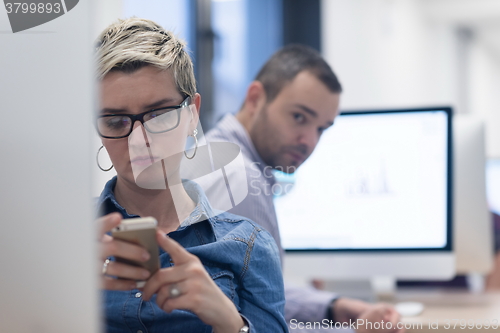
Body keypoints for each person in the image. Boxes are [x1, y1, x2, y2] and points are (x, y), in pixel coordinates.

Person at [94, 18, 287, 333]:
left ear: (192, 113)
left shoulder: (248, 246)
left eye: (159, 115)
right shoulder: (64, 239)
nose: (139, 139)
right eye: (116, 122)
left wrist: (230, 323)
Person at [198, 45, 404, 332]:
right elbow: (260, 325)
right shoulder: (241, 179)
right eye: (299, 117)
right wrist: (354, 332)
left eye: (321, 128)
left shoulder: (216, 154)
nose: (309, 141)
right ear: (255, 98)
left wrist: (331, 306)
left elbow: (254, 294)